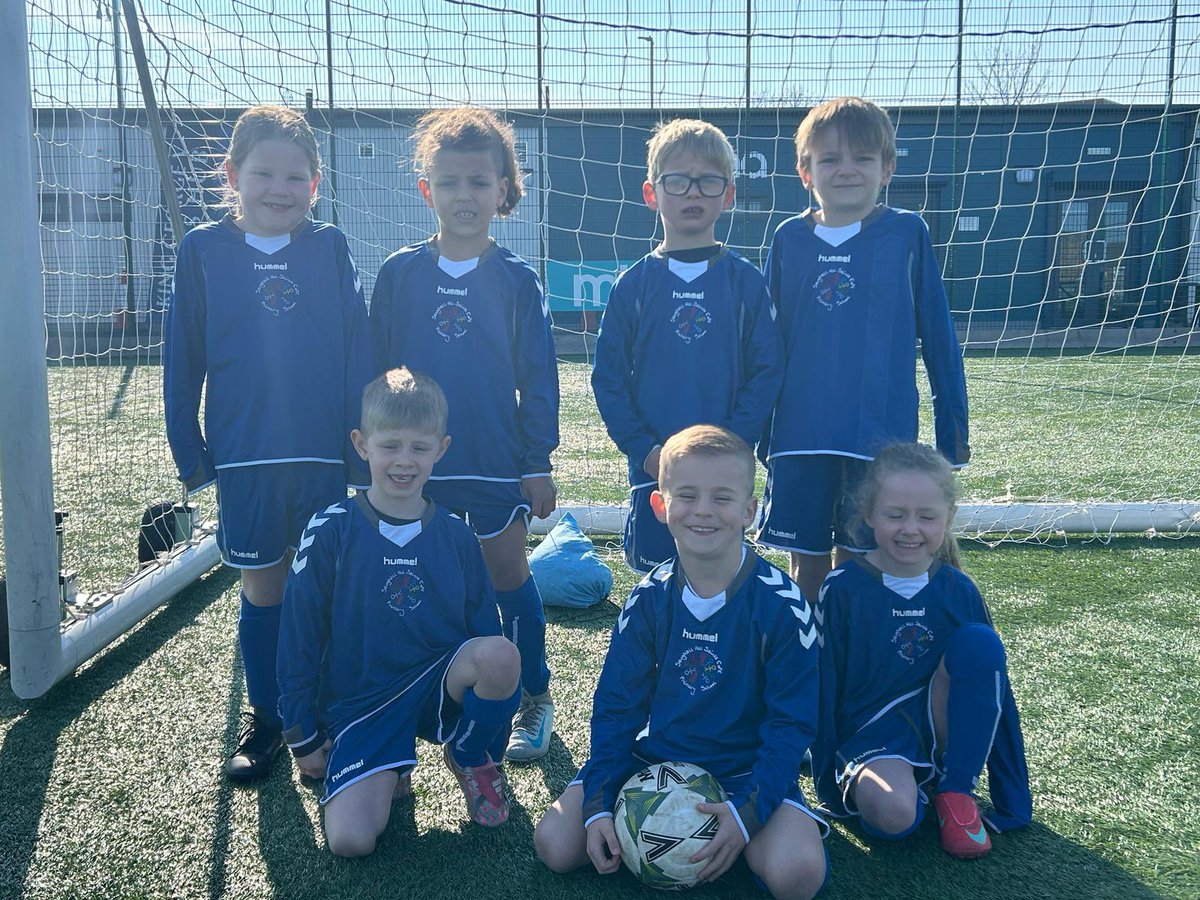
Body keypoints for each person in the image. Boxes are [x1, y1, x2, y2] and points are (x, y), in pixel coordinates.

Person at [163, 104, 373, 783]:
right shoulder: (202, 250)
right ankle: (268, 719)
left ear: (315, 183)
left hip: (319, 452)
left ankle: (325, 709)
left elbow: (356, 348)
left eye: (295, 176)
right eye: (264, 173)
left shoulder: (328, 246)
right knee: (264, 589)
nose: (279, 188)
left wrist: (360, 445)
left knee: (323, 591)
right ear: (233, 175)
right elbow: (182, 355)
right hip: (245, 455)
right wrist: (190, 451)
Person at [534, 425, 827, 900]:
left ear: (750, 511)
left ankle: (739, 835)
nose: (704, 511)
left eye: (723, 497)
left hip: (744, 769)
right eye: (687, 495)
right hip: (653, 761)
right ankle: (684, 833)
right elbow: (616, 705)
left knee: (797, 877)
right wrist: (598, 804)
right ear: (660, 506)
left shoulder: (782, 603)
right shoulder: (649, 598)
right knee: (555, 845)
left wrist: (746, 813)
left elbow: (792, 722)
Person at [369, 107, 559, 762]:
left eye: (479, 182)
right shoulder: (399, 274)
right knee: (415, 582)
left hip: (493, 460)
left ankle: (534, 693)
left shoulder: (516, 280)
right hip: (413, 466)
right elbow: (378, 375)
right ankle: (423, 700)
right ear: (427, 191)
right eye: (448, 183)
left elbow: (539, 382)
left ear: (504, 190)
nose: (464, 196)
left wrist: (537, 462)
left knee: (507, 574)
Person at [277, 368, 522, 856]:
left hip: (438, 682)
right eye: (390, 445)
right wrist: (301, 734)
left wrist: (488, 735)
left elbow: (483, 630)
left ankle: (468, 753)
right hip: (362, 701)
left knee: (499, 656)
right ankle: (388, 765)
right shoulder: (330, 530)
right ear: (361, 444)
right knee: (351, 841)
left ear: (441, 448)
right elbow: (298, 634)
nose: (404, 461)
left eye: (419, 447)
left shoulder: (456, 534)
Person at [756, 96, 970, 608]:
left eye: (862, 158)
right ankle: (807, 661)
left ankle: (852, 661)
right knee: (805, 560)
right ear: (805, 171)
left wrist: (952, 435)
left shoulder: (907, 233)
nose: (846, 169)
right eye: (829, 159)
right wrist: (757, 435)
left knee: (860, 561)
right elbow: (766, 344)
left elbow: (939, 339)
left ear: (888, 167)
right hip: (800, 435)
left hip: (879, 436)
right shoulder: (788, 238)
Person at [811, 443, 1031, 859]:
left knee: (980, 644)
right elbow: (822, 683)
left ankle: (954, 790)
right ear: (869, 515)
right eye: (895, 515)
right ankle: (908, 789)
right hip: (871, 736)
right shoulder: (842, 588)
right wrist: (828, 781)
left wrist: (1012, 798)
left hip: (941, 725)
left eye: (927, 517)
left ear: (947, 519)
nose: (910, 529)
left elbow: (994, 689)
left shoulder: (958, 588)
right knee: (894, 817)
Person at [591, 118, 783, 574]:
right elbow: (608, 379)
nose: (693, 192)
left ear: (728, 194)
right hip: (656, 470)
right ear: (651, 193)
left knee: (722, 578)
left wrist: (733, 443)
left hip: (725, 471)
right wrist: (645, 449)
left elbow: (767, 372)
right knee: (657, 580)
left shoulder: (745, 283)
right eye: (677, 181)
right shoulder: (632, 285)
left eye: (708, 181)